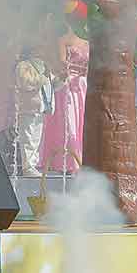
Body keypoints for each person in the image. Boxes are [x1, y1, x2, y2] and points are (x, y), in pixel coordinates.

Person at [41, 35, 89, 174]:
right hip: (68, 83)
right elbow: (62, 63)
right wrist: (77, 68)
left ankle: (81, 160)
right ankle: (68, 162)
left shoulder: (87, 42)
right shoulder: (63, 39)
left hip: (82, 84)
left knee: (82, 123)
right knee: (69, 123)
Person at [11, 45, 51, 177]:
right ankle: (27, 167)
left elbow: (50, 86)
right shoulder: (23, 66)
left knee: (36, 139)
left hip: (41, 107)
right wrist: (43, 79)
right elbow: (25, 83)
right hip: (28, 107)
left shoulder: (44, 66)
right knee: (28, 138)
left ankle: (33, 165)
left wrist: (61, 79)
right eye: (39, 49)